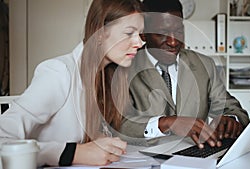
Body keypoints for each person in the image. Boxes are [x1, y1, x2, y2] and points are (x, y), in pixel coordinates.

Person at [0, 0, 144, 167]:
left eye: (141, 34)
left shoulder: (108, 78)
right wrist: (73, 152)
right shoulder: (59, 72)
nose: (139, 43)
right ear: (99, 34)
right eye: (129, 33)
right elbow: (2, 139)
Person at [121, 0, 250, 148]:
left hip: (196, 157)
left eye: (179, 31)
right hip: (141, 160)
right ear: (143, 34)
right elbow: (118, 125)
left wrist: (230, 120)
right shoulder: (124, 67)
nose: (173, 42)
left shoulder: (204, 65)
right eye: (162, 33)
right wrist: (165, 124)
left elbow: (233, 109)